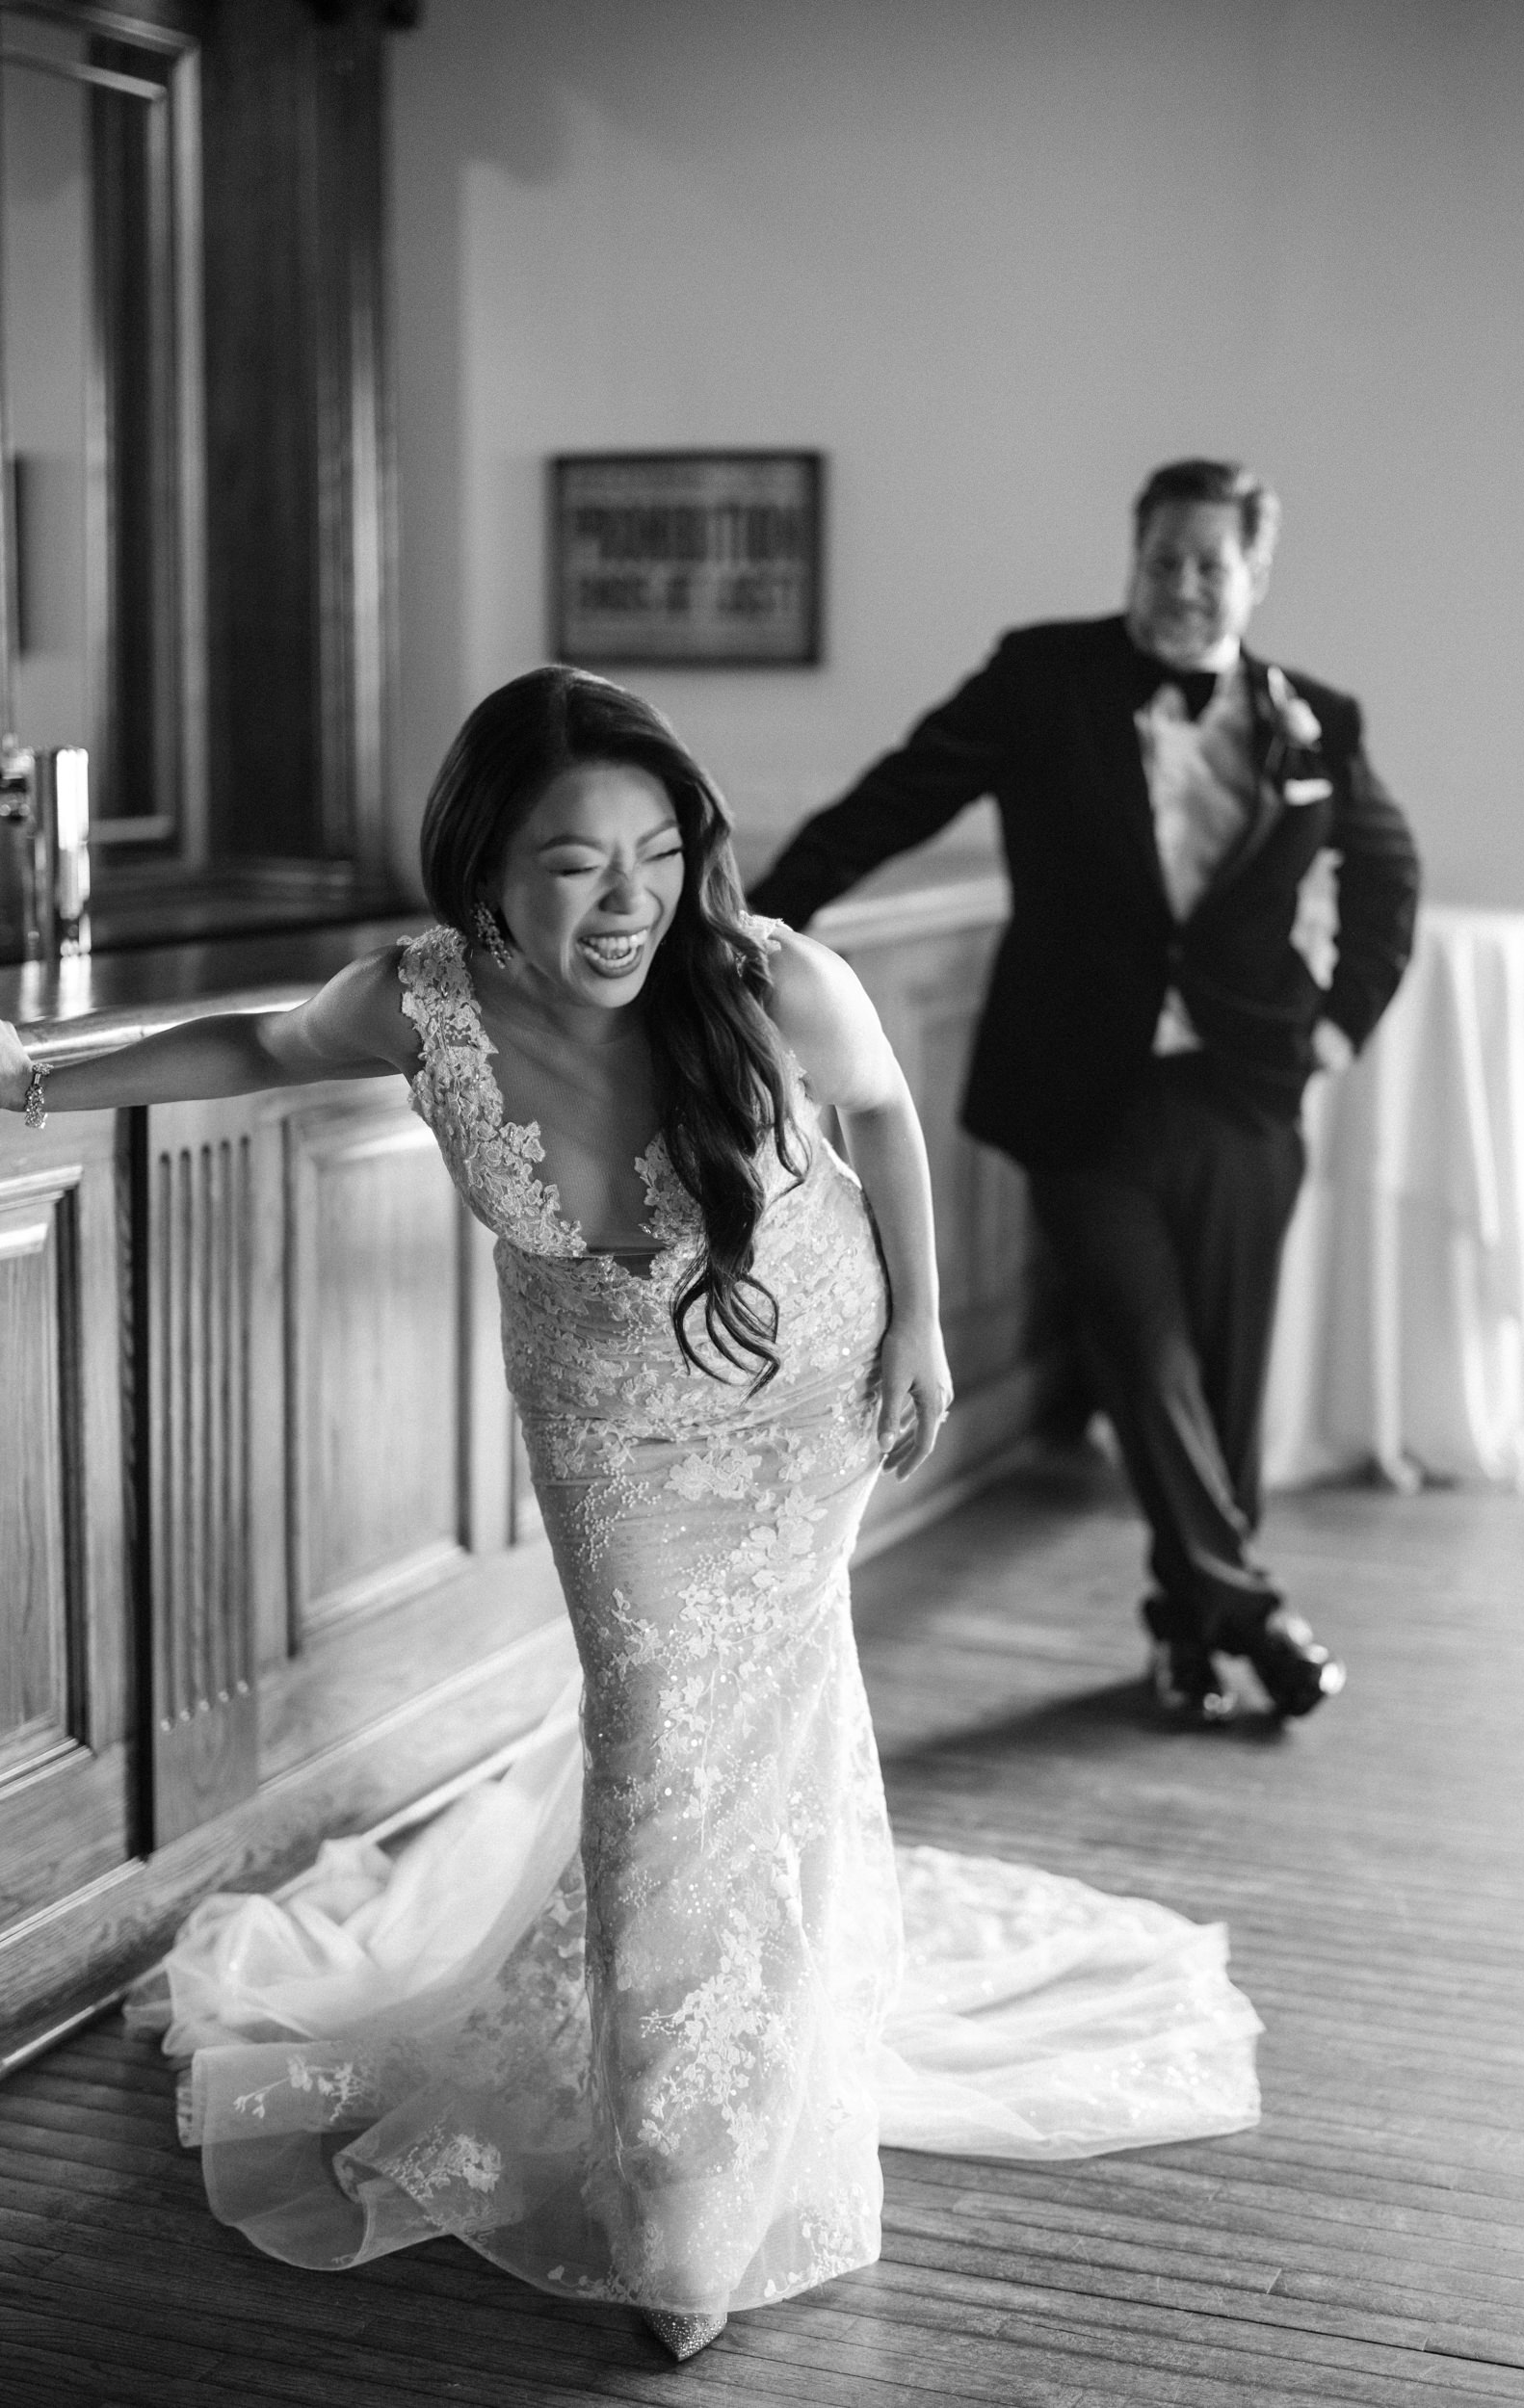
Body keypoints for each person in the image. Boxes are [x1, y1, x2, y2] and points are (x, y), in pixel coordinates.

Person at [1, 667, 1262, 2361]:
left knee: (762, 1721)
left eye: (658, 855)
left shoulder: (768, 980)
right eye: (578, 864)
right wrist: (30, 1084)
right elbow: (259, 1042)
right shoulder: (418, 1000)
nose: (629, 903)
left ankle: (705, 2161)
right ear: (485, 869)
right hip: (610, 1429)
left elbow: (882, 1115)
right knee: (665, 1738)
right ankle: (678, 2162)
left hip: (801, 1385)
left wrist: (926, 1331)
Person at [749, 458, 1421, 1728]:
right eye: (1160, 558)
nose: (1179, 585)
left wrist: (1335, 1035)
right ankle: (1251, 1607)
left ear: (1253, 576)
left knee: (1222, 1376)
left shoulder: (1317, 718)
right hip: (1078, 1086)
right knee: (1141, 1345)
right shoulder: (1040, 678)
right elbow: (895, 798)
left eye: (1207, 564)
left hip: (1245, 1093)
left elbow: (1389, 883)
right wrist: (763, 930)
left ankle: (1191, 1628)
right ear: (1135, 557)